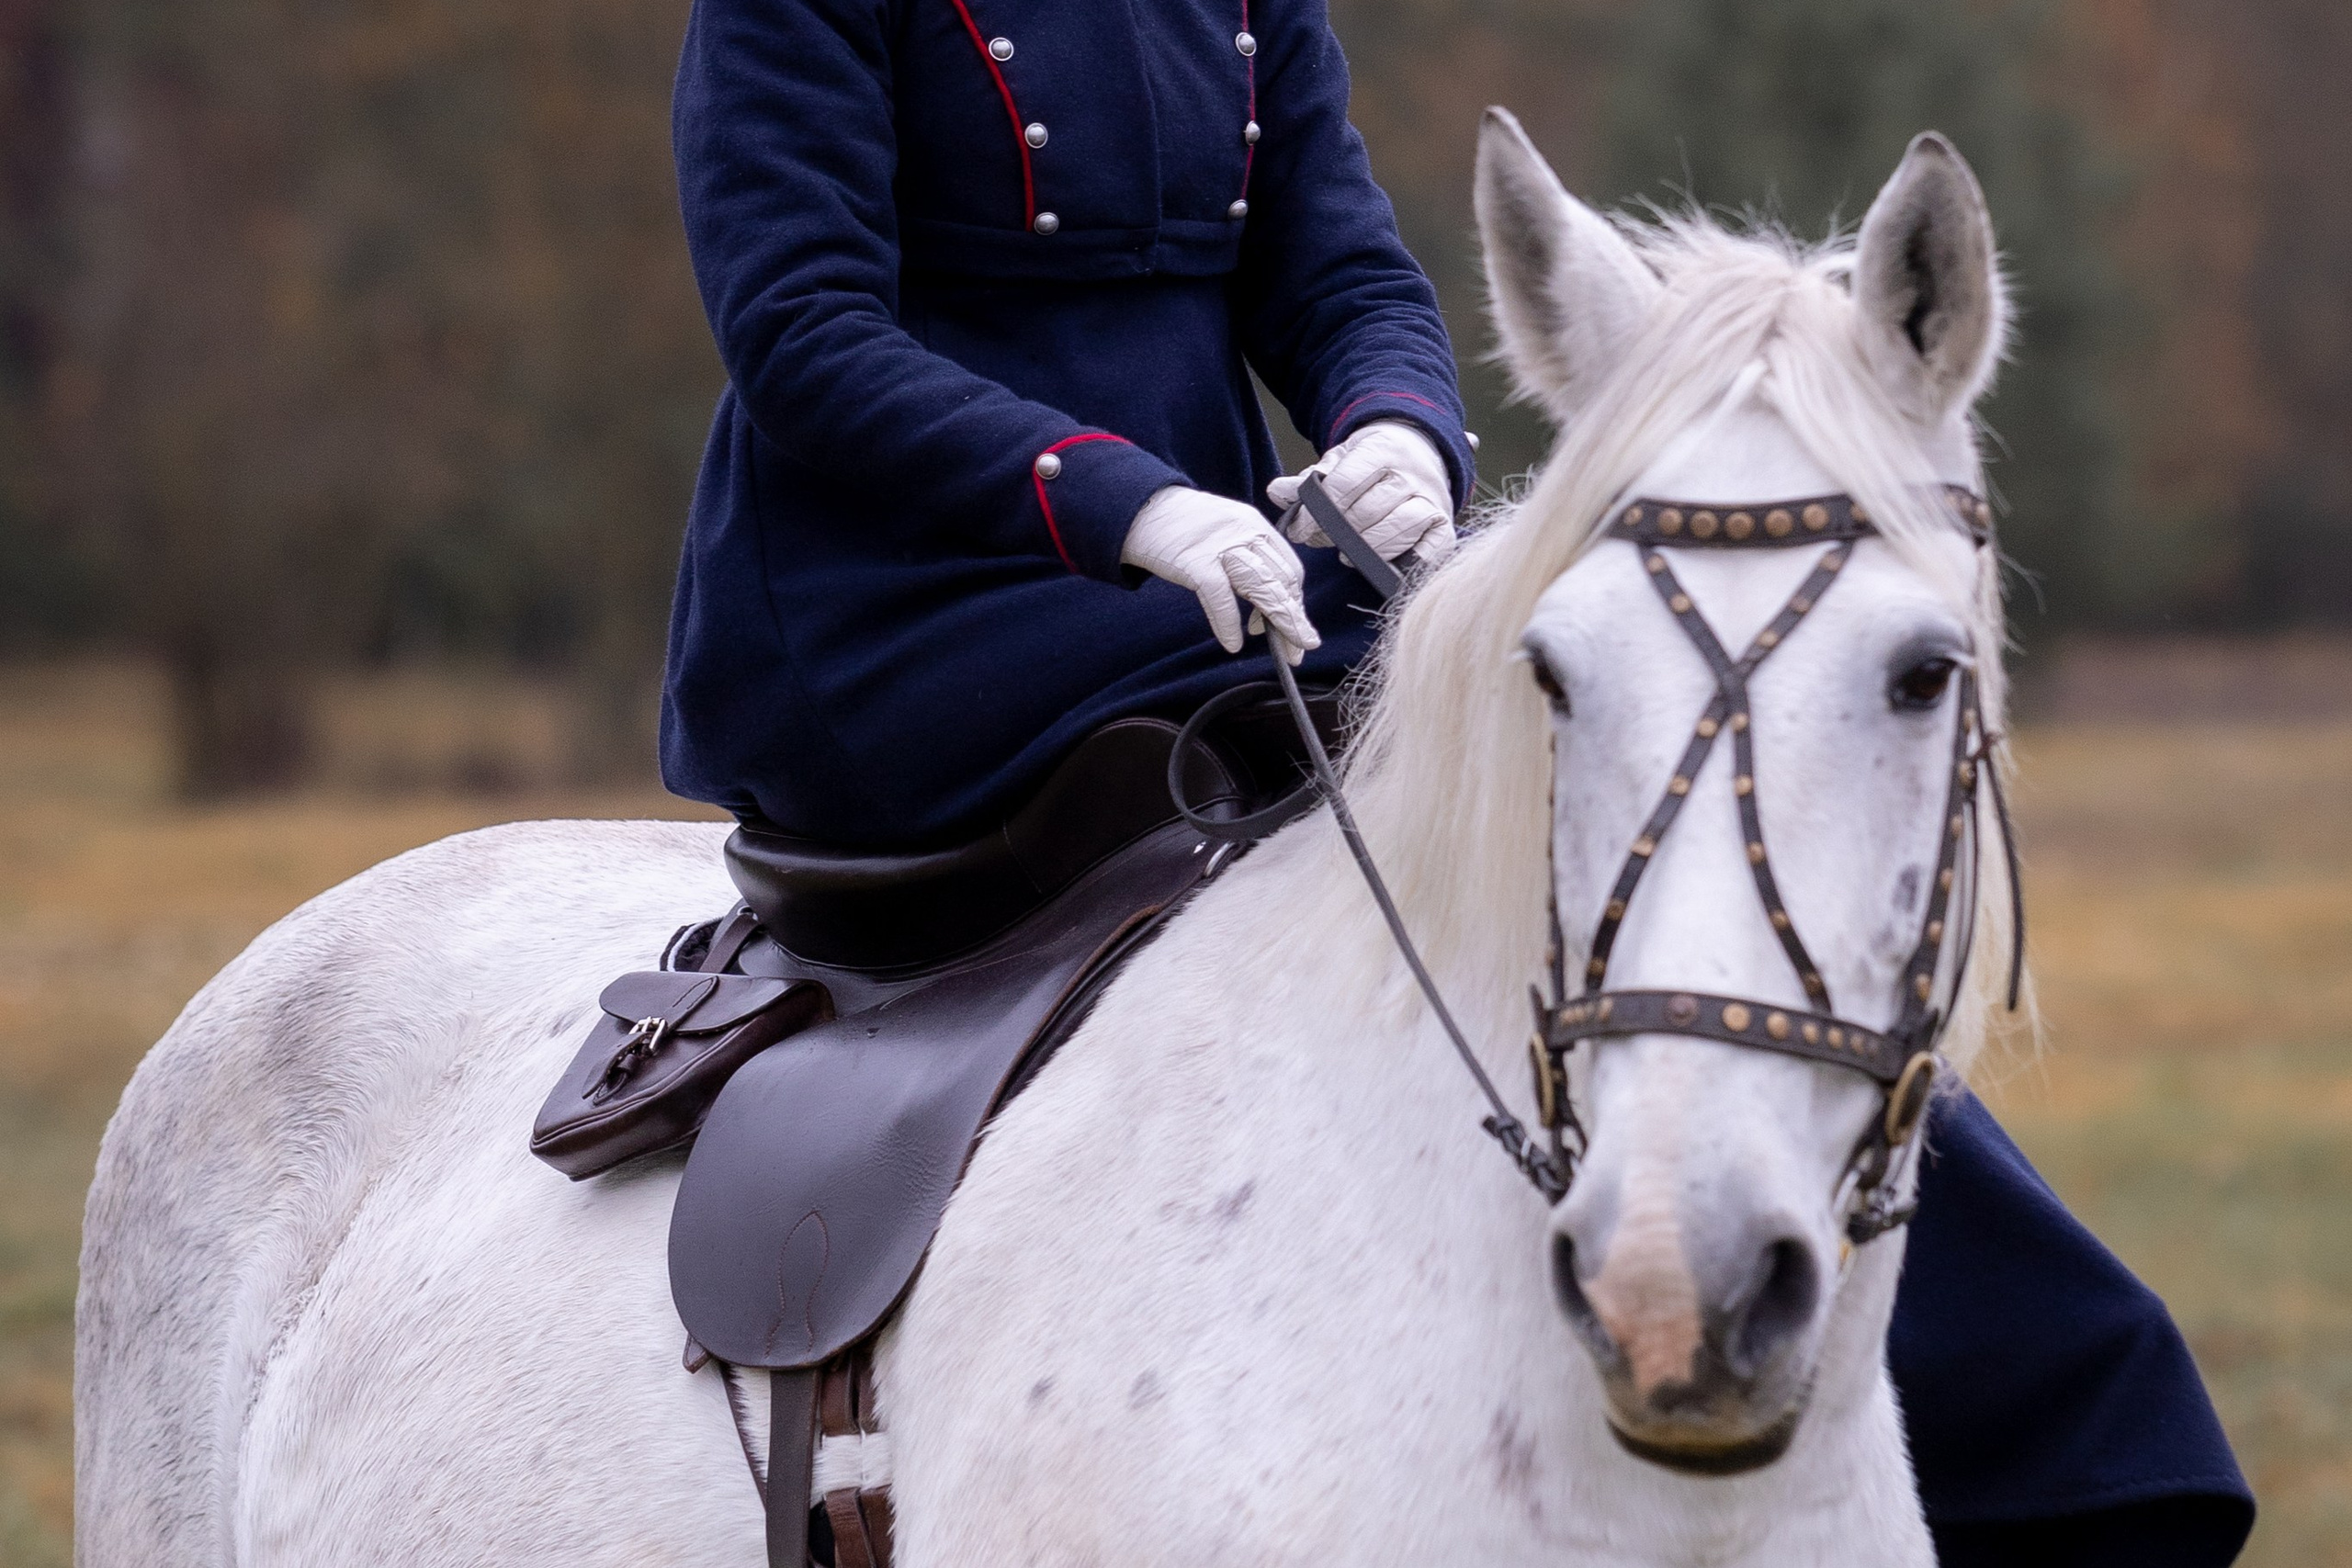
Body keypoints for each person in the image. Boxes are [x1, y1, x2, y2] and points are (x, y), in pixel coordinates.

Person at [656, 0, 2254, 1559]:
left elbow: (1342, 267)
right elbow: (801, 327)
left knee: (1615, 821)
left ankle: (2070, 1436)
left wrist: (1401, 427)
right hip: (913, 619)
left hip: (1229, 596)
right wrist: (1126, 505)